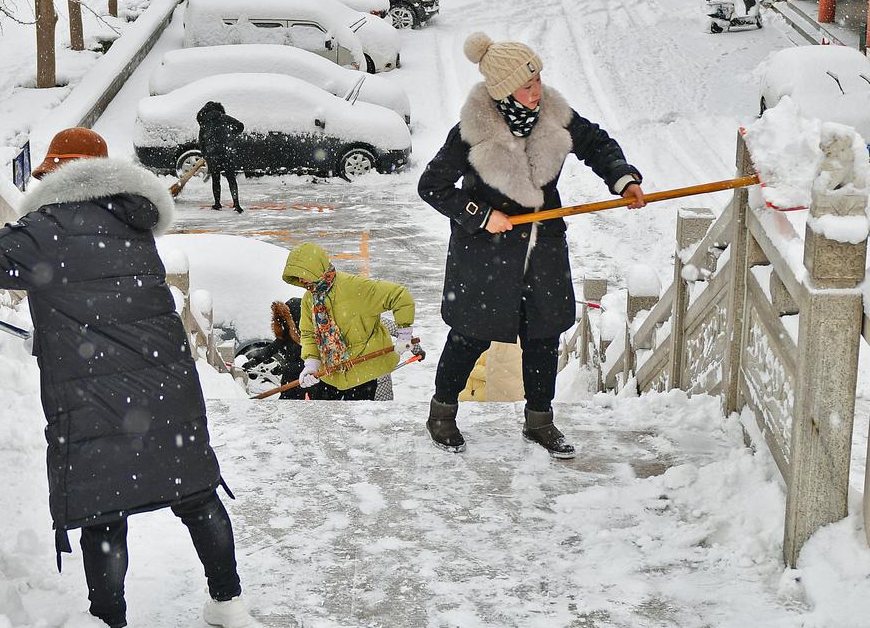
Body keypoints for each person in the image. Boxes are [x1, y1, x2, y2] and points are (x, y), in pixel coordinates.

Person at [0, 128, 264, 628]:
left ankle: (108, 621)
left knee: (104, 510)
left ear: (59, 175)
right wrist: (51, 334)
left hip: (92, 395)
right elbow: (113, 305)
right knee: (196, 492)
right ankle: (229, 604)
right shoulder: (134, 225)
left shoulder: (48, 231)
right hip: (166, 385)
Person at [417, 32, 646, 459]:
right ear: (504, 90)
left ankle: (540, 421)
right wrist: (482, 216)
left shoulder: (555, 114)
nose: (538, 90)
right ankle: (442, 413)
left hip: (543, 248)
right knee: (470, 336)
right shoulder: (470, 133)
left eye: (538, 78)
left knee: (543, 336)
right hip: (485, 253)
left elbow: (596, 143)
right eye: (528, 84)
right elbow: (432, 187)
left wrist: (623, 178)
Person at [280, 242, 415, 400]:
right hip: (330, 374)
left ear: (316, 268)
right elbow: (309, 334)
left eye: (303, 275)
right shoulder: (309, 299)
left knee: (360, 421)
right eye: (297, 278)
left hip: (365, 370)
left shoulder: (355, 287)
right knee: (330, 421)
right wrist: (311, 364)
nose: (302, 281)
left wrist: (404, 334)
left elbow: (399, 296)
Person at [241, 298, 306, 398]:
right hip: (289, 379)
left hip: (306, 379)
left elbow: (309, 361)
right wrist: (255, 360)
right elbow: (273, 348)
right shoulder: (288, 330)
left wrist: (285, 368)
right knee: (286, 402)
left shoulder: (308, 335)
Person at [196, 101, 245, 213]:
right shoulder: (225, 118)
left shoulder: (204, 123)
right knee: (231, 179)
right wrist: (231, 134)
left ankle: (217, 203)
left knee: (216, 179)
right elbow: (240, 126)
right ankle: (236, 204)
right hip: (226, 152)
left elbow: (201, 142)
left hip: (212, 155)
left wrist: (205, 155)